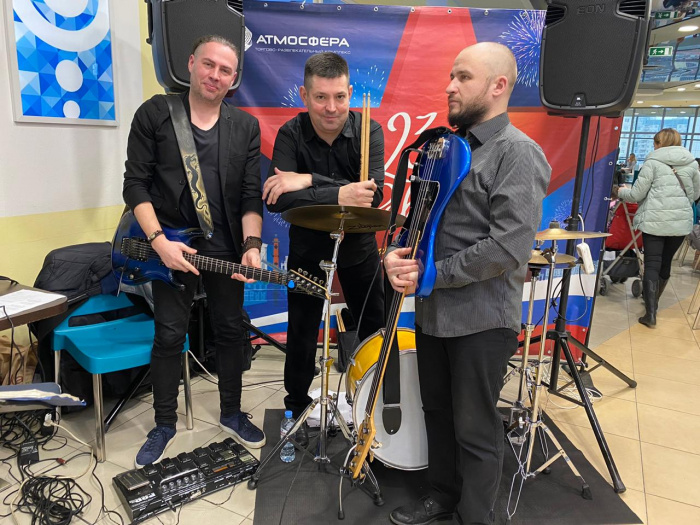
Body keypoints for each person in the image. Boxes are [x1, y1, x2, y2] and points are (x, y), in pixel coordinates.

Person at [383, 42, 551, 525]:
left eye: (463, 77)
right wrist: (399, 255)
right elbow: (425, 226)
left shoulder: (517, 153)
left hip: (482, 320)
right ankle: (442, 495)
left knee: (475, 429)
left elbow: (507, 248)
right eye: (451, 76)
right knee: (436, 412)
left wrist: (434, 274)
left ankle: (476, 517)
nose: (450, 87)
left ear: (498, 86)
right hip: (433, 312)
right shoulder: (446, 149)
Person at [123, 35, 266, 467]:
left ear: (234, 79)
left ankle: (231, 413)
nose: (215, 75)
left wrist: (252, 247)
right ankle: (164, 423)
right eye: (208, 64)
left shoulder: (245, 127)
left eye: (225, 70)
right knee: (169, 334)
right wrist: (159, 242)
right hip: (169, 244)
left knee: (231, 331)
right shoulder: (155, 113)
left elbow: (250, 196)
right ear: (190, 63)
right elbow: (135, 185)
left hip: (225, 248)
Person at [263, 52, 385, 444]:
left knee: (374, 328)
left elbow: (372, 196)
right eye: (320, 97)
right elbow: (279, 200)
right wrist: (338, 191)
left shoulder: (369, 130)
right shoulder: (290, 134)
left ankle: (375, 404)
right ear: (304, 95)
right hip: (307, 250)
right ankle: (295, 408)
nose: (331, 107)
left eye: (339, 97)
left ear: (350, 92)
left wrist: (307, 181)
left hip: (360, 248)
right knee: (300, 333)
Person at [616, 128, 700, 327]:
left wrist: (619, 191)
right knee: (665, 262)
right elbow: (696, 194)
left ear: (659, 144)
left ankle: (650, 313)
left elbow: (636, 195)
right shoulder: (692, 164)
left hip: (654, 220)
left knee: (652, 263)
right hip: (680, 222)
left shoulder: (652, 163)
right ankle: (654, 303)